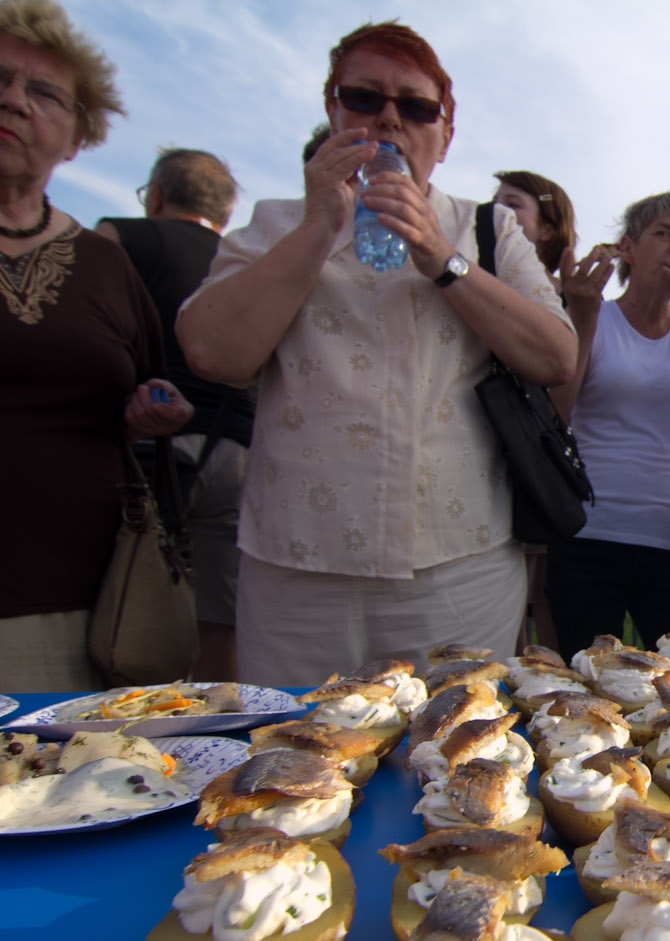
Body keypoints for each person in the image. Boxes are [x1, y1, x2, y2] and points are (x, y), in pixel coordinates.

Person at [178, 21, 576, 685]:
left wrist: (442, 258)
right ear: (334, 112)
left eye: (416, 107)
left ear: (444, 136)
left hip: (459, 566)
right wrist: (318, 228)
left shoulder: (486, 228)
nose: (389, 119)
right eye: (365, 98)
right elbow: (212, 352)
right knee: (298, 761)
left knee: (454, 761)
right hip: (297, 570)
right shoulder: (278, 222)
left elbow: (556, 355)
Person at [0, 0, 192, 691]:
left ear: (78, 136)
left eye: (42, 91)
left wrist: (156, 411)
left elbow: (150, 387)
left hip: (95, 604)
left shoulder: (102, 262)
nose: (12, 101)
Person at [544, 192, 670, 662]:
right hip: (588, 540)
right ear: (627, 249)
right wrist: (582, 318)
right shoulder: (596, 313)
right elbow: (558, 411)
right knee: (586, 699)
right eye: (663, 234)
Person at [96, 147, 249, 682]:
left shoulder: (122, 240)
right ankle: (217, 734)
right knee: (220, 621)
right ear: (225, 213)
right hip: (238, 456)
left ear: (156, 196)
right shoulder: (246, 256)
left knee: (131, 601)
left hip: (153, 448)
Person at [490, 168, 578, 653]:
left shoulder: (566, 298)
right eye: (496, 201)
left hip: (534, 457)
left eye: (515, 204)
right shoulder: (480, 279)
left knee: (538, 590)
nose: (499, 211)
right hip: (490, 454)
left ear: (546, 229)